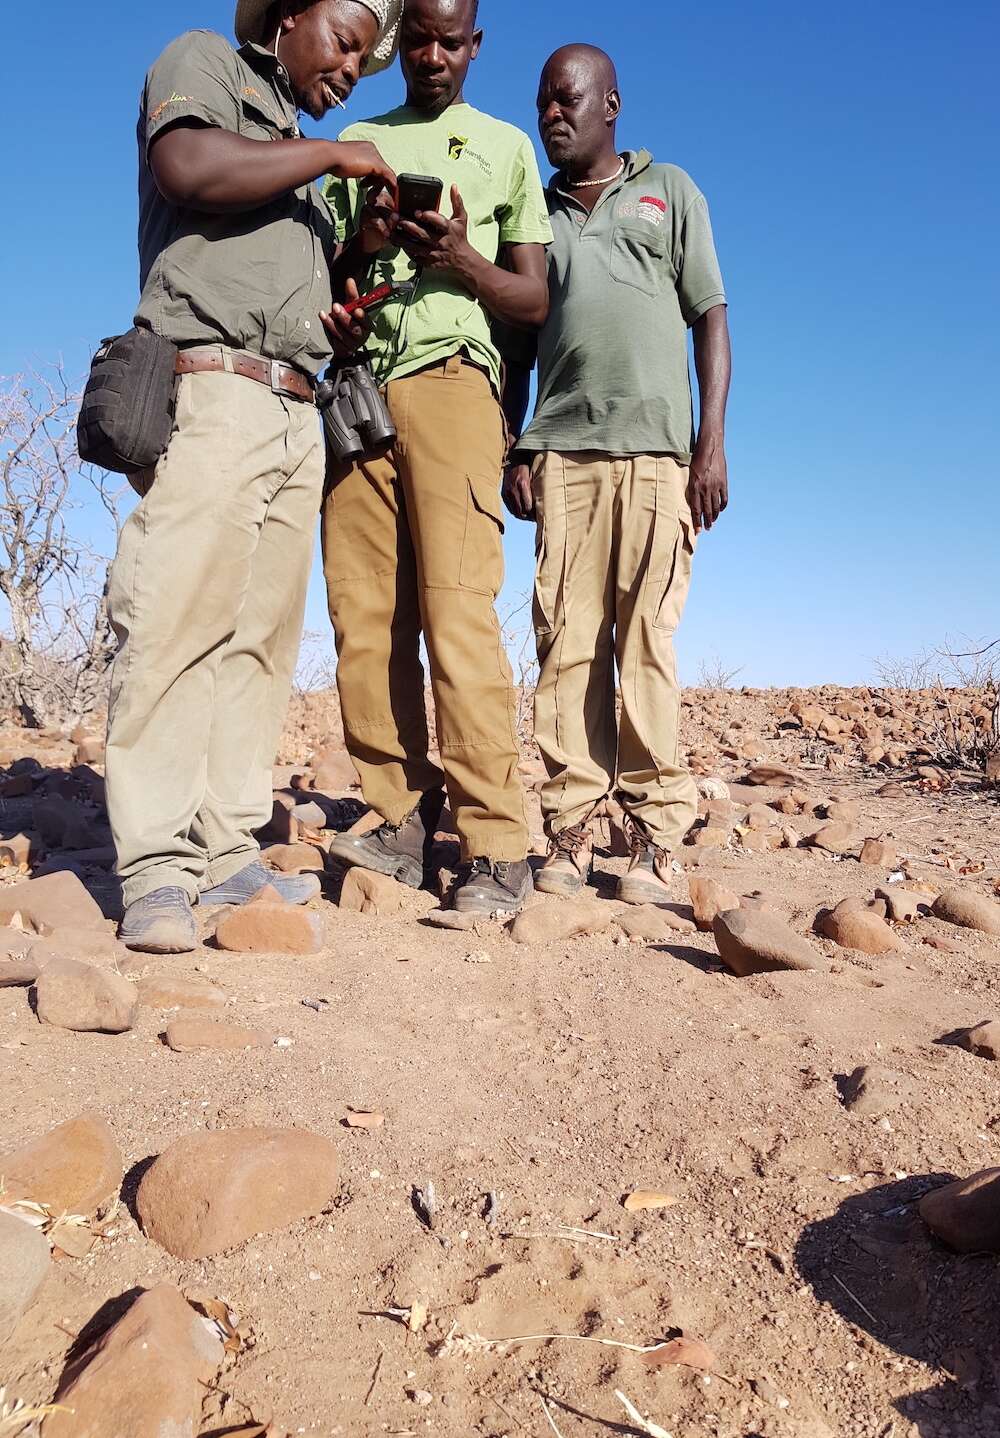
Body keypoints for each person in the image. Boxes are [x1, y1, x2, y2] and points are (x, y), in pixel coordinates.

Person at [104, 0, 401, 953]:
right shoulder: (207, 63)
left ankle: (225, 845)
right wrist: (333, 156)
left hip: (292, 407)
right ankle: (154, 864)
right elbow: (187, 166)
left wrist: (352, 273)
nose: (353, 68)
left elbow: (295, 301)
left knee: (260, 640)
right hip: (212, 389)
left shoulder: (297, 150)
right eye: (345, 41)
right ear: (296, 13)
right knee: (178, 620)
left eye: (364, 58)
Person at [319, 0, 553, 916]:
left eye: (449, 42)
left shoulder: (502, 148)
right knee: (365, 615)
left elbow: (532, 299)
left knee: (457, 611)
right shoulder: (358, 137)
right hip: (361, 393)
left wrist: (460, 258)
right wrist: (367, 244)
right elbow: (327, 266)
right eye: (416, 39)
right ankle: (398, 820)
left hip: (459, 383)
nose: (431, 56)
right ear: (396, 42)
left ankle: (497, 844)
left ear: (475, 45)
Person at [502, 44, 732, 905]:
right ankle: (567, 834)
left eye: (568, 100)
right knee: (565, 640)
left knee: (646, 644)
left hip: (657, 456)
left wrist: (710, 446)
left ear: (611, 104)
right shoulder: (537, 214)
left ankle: (656, 837)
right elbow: (517, 347)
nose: (552, 115)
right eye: (542, 104)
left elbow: (710, 316)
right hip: (562, 455)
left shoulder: (668, 189)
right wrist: (515, 445)